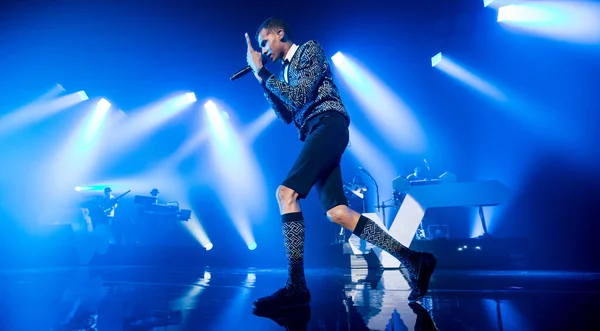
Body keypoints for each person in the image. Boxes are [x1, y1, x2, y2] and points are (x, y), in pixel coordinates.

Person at [245, 17, 436, 310]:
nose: (263, 50)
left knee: (286, 194)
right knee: (337, 212)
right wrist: (262, 79)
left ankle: (296, 287)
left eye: (264, 42)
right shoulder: (283, 70)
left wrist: (262, 71)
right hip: (315, 130)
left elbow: (298, 96)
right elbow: (286, 114)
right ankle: (414, 259)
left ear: (280, 33)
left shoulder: (309, 50)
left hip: (328, 124)